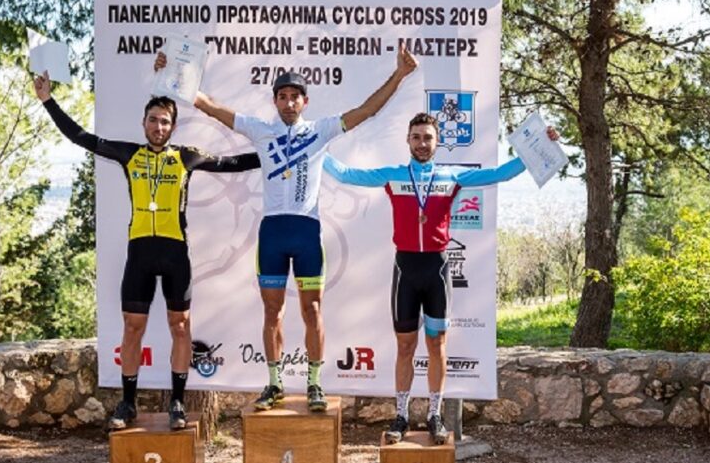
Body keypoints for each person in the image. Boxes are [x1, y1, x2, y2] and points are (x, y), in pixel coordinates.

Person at [154, 44, 418, 411]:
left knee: (313, 311)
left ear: (305, 102)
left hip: (307, 232)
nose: (289, 102)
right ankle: (274, 382)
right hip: (273, 234)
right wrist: (171, 73)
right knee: (272, 313)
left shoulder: (321, 130)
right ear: (275, 101)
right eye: (283, 96)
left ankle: (314, 383)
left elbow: (367, 110)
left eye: (295, 97)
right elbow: (207, 105)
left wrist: (400, 74)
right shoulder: (260, 129)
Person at [33, 71, 260, 431]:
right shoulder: (129, 154)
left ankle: (177, 403)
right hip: (140, 253)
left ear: (173, 127)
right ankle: (127, 403)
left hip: (175, 254)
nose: (158, 126)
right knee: (132, 327)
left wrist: (280, 151)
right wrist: (48, 101)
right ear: (144, 123)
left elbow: (234, 164)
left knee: (180, 326)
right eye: (153, 120)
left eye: (165, 121)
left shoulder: (186, 157)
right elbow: (80, 137)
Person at [323, 113, 559, 444]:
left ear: (437, 142)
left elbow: (500, 174)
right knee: (405, 347)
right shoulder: (394, 175)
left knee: (437, 345)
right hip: (406, 270)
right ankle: (401, 416)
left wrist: (540, 146)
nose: (422, 143)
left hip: (437, 270)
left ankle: (434, 414)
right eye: (416, 137)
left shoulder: (452, 176)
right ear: (408, 140)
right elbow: (347, 174)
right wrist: (315, 149)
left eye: (428, 137)